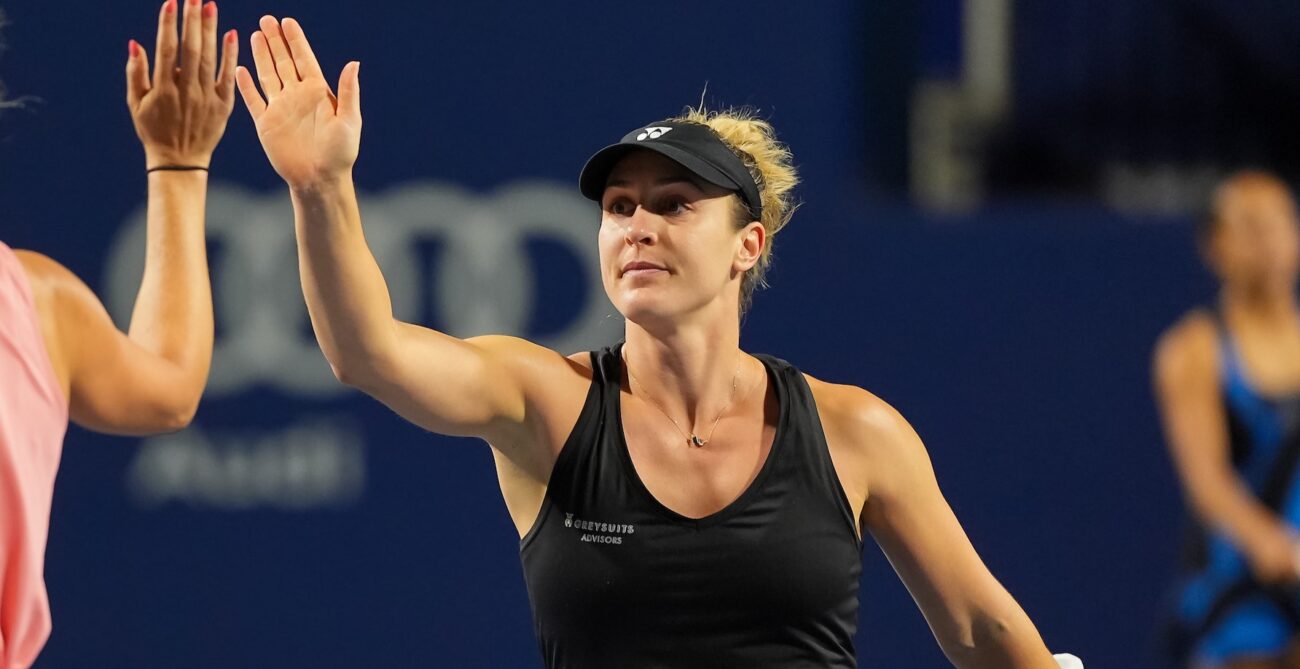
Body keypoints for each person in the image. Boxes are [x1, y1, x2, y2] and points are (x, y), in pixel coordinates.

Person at [236, 15, 1078, 668]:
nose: (637, 226)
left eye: (675, 204)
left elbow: (979, 628)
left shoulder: (857, 431)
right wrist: (320, 188)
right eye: (619, 208)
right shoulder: (545, 400)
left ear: (748, 244)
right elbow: (367, 351)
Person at [0, 2, 237, 665]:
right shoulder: (34, 300)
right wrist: (178, 164)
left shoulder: (31, 300)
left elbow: (168, 390)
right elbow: (171, 384)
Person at [1156, 171, 1300, 669]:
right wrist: (1272, 547)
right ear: (1214, 246)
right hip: (1236, 588)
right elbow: (1207, 482)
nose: (1268, 240)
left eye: (1279, 223)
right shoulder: (1192, 351)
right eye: (1250, 225)